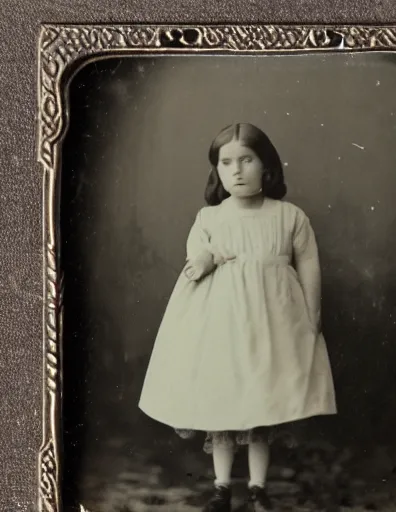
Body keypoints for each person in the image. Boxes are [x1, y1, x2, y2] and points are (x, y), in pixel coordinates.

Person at [139, 122, 337, 511]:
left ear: (267, 166)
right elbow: (194, 261)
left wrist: (313, 312)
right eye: (226, 162)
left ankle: (259, 489)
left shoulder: (289, 216)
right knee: (223, 403)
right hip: (222, 326)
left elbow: (309, 263)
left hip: (273, 324)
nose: (237, 170)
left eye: (246, 160)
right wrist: (206, 258)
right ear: (217, 170)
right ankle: (222, 488)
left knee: (262, 405)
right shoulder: (210, 219)